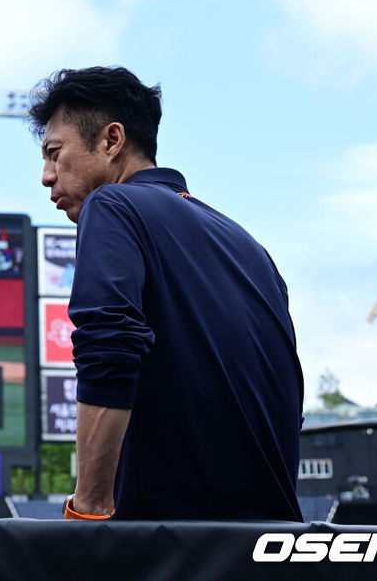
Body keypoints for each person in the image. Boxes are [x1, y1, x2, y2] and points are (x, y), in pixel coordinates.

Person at [28, 66, 303, 521]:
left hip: (172, 541)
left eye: (54, 154)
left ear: (111, 140)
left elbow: (109, 344)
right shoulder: (251, 248)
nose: (46, 175)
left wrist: (89, 510)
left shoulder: (112, 204)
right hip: (271, 536)